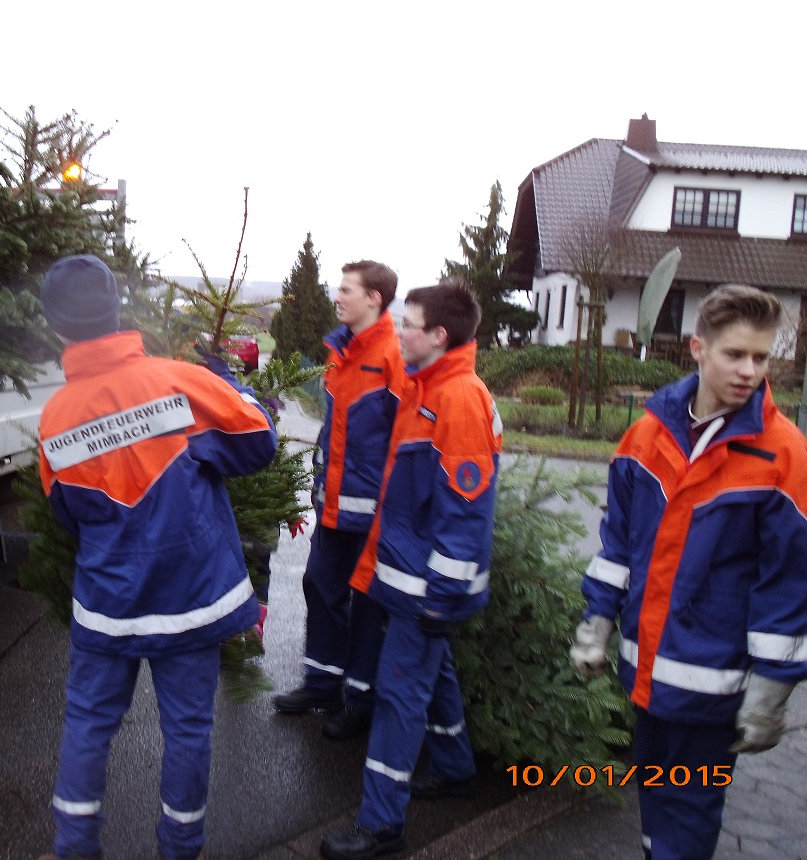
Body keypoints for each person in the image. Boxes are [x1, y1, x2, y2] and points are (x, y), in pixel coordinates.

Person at [35, 255, 278, 860]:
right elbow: (258, 443)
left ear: (57, 328)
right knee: (189, 731)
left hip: (107, 607)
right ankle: (179, 848)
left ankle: (74, 847)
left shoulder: (55, 419)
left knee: (89, 726)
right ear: (117, 311)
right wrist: (233, 387)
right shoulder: (179, 383)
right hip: (191, 603)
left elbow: (67, 513)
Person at [570, 284, 807, 860]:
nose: (750, 370)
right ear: (698, 348)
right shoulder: (645, 436)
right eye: (735, 354)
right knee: (656, 800)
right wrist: (596, 622)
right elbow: (618, 544)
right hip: (646, 673)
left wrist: (771, 691)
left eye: (761, 357)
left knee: (692, 815)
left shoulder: (784, 455)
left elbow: (789, 584)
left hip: (715, 686)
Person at [321, 279, 502, 860]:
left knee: (400, 699)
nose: (400, 334)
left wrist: (438, 597)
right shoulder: (429, 388)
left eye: (410, 325)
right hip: (411, 579)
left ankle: (381, 825)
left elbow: (465, 511)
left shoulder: (457, 399)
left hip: (425, 588)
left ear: (439, 335)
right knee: (434, 671)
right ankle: (454, 768)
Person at [273, 260, 404, 742]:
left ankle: (359, 700)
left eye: (346, 289)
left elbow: (403, 439)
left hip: (372, 514)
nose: (336, 296)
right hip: (333, 506)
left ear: (374, 298)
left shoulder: (393, 355)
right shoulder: (342, 352)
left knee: (367, 607)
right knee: (319, 587)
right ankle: (322, 683)